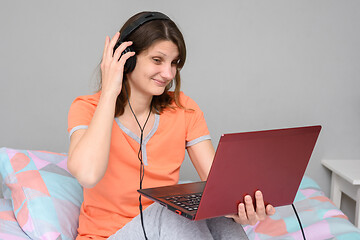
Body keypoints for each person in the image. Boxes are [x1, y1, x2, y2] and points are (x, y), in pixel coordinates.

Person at [67, 11, 275, 240]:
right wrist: (109, 92)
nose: (168, 74)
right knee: (170, 211)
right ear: (127, 59)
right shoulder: (87, 107)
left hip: (168, 235)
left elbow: (220, 189)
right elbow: (87, 174)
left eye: (174, 63)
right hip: (107, 237)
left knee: (208, 208)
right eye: (157, 60)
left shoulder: (183, 108)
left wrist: (240, 210)